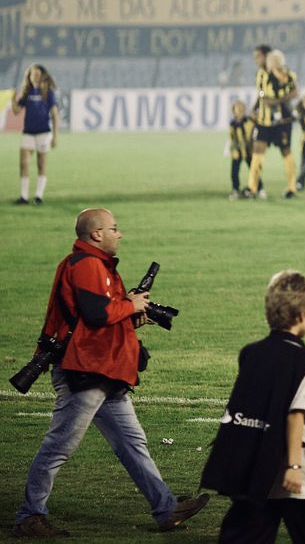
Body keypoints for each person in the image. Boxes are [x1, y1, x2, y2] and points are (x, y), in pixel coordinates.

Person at [12, 209, 209, 537]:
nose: (120, 234)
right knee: (59, 446)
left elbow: (94, 319)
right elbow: (95, 314)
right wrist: (130, 305)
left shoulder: (93, 265)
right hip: (85, 371)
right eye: (114, 229)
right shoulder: (87, 265)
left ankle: (166, 509)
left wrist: (130, 316)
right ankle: (29, 516)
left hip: (102, 370)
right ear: (96, 234)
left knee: (132, 443)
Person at [201, 270, 305, 543]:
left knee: (245, 534)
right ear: (302, 314)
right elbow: (295, 415)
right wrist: (294, 466)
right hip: (293, 467)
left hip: (255, 463)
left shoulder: (250, 353)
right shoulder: (303, 361)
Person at [246, 46, 299, 200]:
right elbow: (261, 94)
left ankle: (292, 187)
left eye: (258, 57)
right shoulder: (260, 75)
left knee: (286, 151)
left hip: (282, 121)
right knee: (257, 151)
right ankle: (252, 187)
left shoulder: (287, 74)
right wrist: (255, 108)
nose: (256, 60)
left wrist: (276, 101)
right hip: (263, 121)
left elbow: (295, 92)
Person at [11, 64, 59, 205]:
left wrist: (56, 135)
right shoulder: (27, 92)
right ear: (29, 76)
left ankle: (38, 196)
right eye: (33, 74)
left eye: (37, 74)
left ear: (42, 76)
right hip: (28, 132)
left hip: (44, 132)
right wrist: (14, 98)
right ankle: (24, 197)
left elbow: (55, 114)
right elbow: (16, 110)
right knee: (24, 163)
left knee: (41, 164)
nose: (35, 77)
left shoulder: (48, 92)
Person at [228, 100, 262, 201]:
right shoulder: (233, 123)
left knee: (254, 169)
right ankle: (235, 189)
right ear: (233, 110)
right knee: (234, 171)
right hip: (238, 151)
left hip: (248, 149)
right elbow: (232, 137)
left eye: (241, 107)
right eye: (237, 108)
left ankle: (260, 188)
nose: (239, 110)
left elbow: (255, 132)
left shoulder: (249, 121)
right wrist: (232, 149)